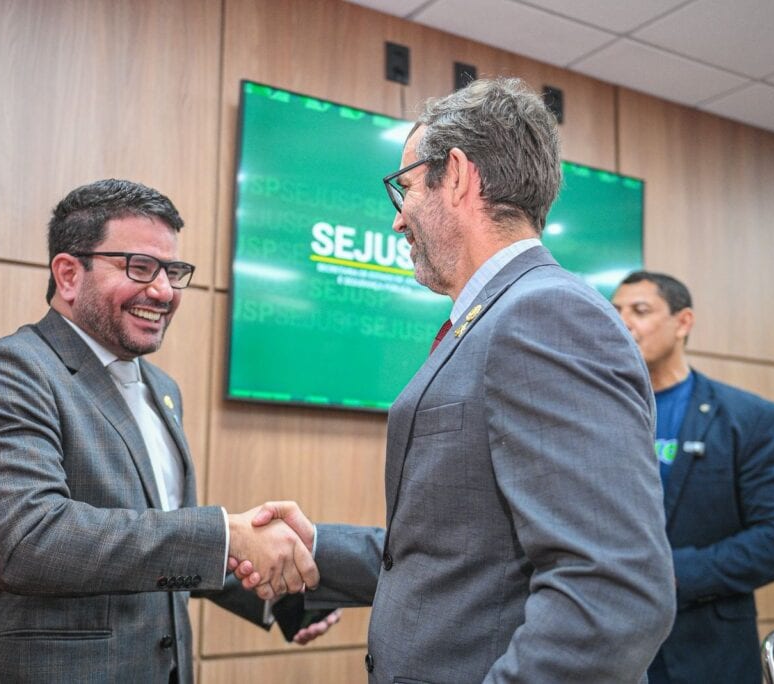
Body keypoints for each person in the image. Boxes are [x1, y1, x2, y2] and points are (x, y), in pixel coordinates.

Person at [235, 77, 676, 682]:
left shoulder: (545, 315)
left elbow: (613, 594)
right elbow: (472, 553)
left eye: (407, 188)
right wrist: (317, 548)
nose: (398, 221)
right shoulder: (500, 315)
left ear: (460, 175)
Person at [0, 179, 319, 682]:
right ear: (69, 274)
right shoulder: (11, 371)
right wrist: (224, 535)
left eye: (173, 271)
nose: (164, 291)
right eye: (140, 268)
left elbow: (162, 549)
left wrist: (279, 597)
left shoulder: (163, 389)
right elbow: (29, 540)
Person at [611, 270, 774, 683]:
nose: (623, 322)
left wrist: (672, 572)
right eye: (616, 311)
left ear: (683, 322)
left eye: (640, 311)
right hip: (609, 646)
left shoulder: (747, 418)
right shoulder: (596, 411)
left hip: (708, 653)